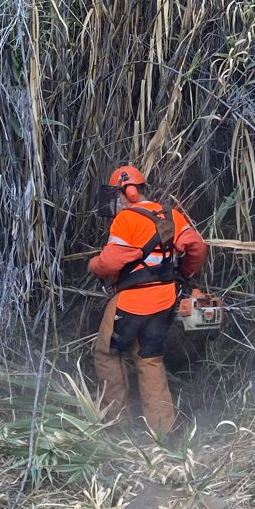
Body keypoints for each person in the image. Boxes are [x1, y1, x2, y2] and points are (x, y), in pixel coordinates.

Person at [88, 165, 208, 436]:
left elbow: (110, 262)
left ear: (126, 192)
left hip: (132, 301)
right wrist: (185, 274)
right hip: (164, 299)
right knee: (149, 360)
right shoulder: (171, 215)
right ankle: (163, 433)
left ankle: (115, 423)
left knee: (106, 354)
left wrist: (93, 265)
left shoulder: (125, 220)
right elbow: (199, 248)